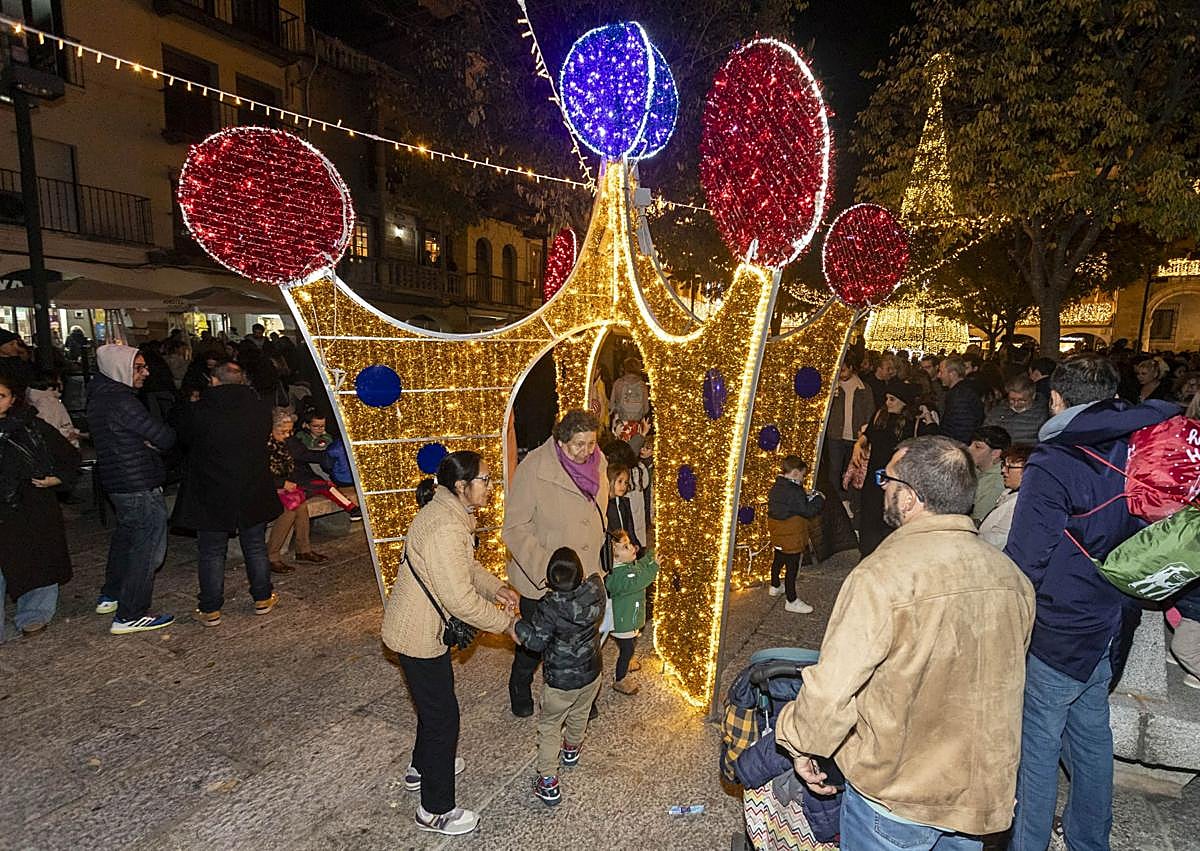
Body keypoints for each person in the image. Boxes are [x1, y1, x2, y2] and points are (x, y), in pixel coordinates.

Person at [774, 436, 1035, 849]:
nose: (882, 487)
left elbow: (835, 687)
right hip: (977, 799)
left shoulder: (881, 577)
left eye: (887, 479)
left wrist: (799, 740)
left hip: (898, 796)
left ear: (911, 499)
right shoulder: (1011, 577)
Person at [1005, 354, 1179, 851]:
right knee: (1090, 734)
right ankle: (1088, 840)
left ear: (1058, 399)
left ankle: (1028, 842)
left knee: (1037, 739)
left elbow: (1027, 556)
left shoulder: (1055, 459)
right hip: (1114, 616)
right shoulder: (1142, 441)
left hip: (1060, 621)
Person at [379, 451, 520, 836]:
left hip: (421, 630)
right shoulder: (446, 525)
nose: (491, 487)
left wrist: (497, 588)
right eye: (486, 480)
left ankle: (421, 768)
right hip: (417, 635)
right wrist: (506, 624)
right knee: (443, 717)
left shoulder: (448, 513)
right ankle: (434, 810)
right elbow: (458, 599)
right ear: (462, 486)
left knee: (434, 705)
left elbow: (466, 568)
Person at [504, 410, 608, 718]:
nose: (585, 451)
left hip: (585, 573)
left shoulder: (597, 460)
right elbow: (514, 527)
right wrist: (544, 570)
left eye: (591, 443)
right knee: (533, 646)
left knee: (581, 642)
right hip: (549, 576)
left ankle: (579, 695)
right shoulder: (534, 467)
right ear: (560, 441)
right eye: (578, 444)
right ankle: (519, 685)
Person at [172, 361, 281, 626]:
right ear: (242, 381)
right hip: (251, 486)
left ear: (215, 381)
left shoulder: (198, 411)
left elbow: (182, 438)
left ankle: (210, 608)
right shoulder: (259, 408)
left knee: (211, 550)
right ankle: (262, 597)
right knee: (255, 545)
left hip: (212, 489)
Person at [89, 344, 176, 634]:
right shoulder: (122, 401)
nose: (146, 373)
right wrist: (148, 442)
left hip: (118, 481)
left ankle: (111, 594)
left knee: (126, 540)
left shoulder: (100, 396)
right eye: (138, 368)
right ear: (119, 369)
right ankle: (131, 613)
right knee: (148, 549)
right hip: (137, 482)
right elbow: (164, 437)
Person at [512, 546, 606, 807]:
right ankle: (572, 750)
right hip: (591, 673)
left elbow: (535, 642)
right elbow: (597, 575)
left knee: (550, 725)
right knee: (580, 712)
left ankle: (549, 783)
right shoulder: (596, 589)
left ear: (550, 580)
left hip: (560, 682)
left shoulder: (549, 608)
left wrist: (515, 623)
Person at [0, 370, 80, 639]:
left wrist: (56, 479)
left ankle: (34, 615)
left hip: (29, 505)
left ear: (12, 399)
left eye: (1, 396)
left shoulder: (29, 426)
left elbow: (68, 456)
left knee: (37, 558)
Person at [265, 409, 334, 573]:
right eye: (283, 431)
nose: (287, 435)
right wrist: (282, 483)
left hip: (281, 487)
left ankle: (303, 550)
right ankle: (271, 556)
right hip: (265, 489)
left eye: (290, 431)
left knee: (300, 504)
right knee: (290, 510)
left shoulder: (283, 442)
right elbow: (260, 474)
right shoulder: (263, 446)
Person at [854, 380, 917, 557]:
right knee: (869, 513)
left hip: (897, 475)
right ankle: (866, 553)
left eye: (892, 400)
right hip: (875, 473)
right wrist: (858, 445)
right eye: (887, 399)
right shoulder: (881, 414)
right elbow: (869, 434)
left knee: (889, 515)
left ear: (904, 402)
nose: (887, 403)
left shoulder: (910, 423)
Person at [766, 455, 825, 613]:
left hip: (777, 532)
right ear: (795, 473)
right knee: (792, 567)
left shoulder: (777, 486)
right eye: (802, 475)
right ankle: (791, 600)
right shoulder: (794, 491)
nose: (803, 478)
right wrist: (818, 499)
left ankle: (775, 585)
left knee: (778, 558)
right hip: (791, 533)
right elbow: (807, 511)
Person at [604, 530, 659, 695]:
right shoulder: (618, 576)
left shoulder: (628, 565)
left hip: (631, 619)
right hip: (623, 623)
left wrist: (651, 554)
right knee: (626, 649)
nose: (632, 547)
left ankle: (627, 661)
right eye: (625, 547)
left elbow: (641, 565)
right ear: (615, 557)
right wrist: (654, 566)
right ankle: (620, 679)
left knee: (631, 644)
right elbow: (638, 581)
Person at [824, 357, 874, 506]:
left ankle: (850, 500)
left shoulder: (863, 388)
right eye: (838, 370)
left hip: (855, 436)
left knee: (851, 469)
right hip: (836, 434)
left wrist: (864, 432)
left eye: (844, 369)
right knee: (835, 468)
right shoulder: (834, 388)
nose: (840, 373)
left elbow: (869, 412)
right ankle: (835, 500)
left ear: (852, 368)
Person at [979, 444, 1032, 549]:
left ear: (1028, 471)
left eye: (1009, 467)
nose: (1003, 470)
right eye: (1003, 465)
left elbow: (999, 541)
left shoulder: (1022, 503)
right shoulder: (1009, 492)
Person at [983, 374, 1047, 445]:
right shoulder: (997, 411)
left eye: (1022, 400)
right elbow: (986, 433)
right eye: (1012, 399)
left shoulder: (1043, 414)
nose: (1016, 404)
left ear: (1033, 396)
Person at [967, 425, 1011, 524]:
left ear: (995, 453)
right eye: (970, 444)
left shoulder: (994, 483)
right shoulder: (977, 469)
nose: (969, 449)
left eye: (977, 447)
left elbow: (978, 522)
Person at [937, 355, 984, 444]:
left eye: (941, 372)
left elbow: (961, 429)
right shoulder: (963, 391)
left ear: (953, 374)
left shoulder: (960, 396)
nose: (939, 375)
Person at [605, 461, 644, 554]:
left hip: (626, 548)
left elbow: (629, 527)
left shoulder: (624, 502)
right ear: (610, 480)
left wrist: (635, 543)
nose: (623, 486)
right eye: (619, 481)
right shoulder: (605, 504)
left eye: (626, 482)